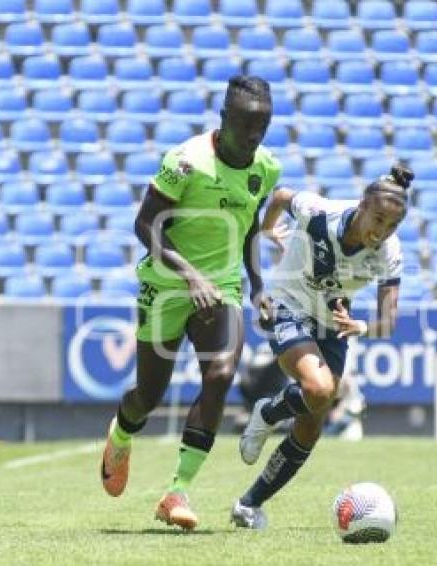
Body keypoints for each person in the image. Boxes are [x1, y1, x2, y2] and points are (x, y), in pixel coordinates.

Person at [99, 75, 281, 531]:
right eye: (245, 123)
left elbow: (248, 225)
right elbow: (145, 226)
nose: (254, 134)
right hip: (166, 285)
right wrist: (188, 273)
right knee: (149, 396)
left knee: (220, 375)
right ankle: (122, 435)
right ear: (223, 119)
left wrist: (258, 285)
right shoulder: (185, 162)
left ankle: (177, 491)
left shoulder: (267, 168)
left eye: (262, 124)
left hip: (222, 287)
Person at [230, 164, 414, 529]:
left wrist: (359, 326)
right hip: (286, 304)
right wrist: (268, 229)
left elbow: (387, 323)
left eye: (392, 226)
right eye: (378, 219)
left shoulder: (389, 252)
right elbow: (281, 195)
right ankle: (267, 413)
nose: (382, 232)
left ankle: (249, 504)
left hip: (333, 321)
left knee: (312, 422)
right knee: (319, 389)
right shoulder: (320, 212)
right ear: (362, 205)